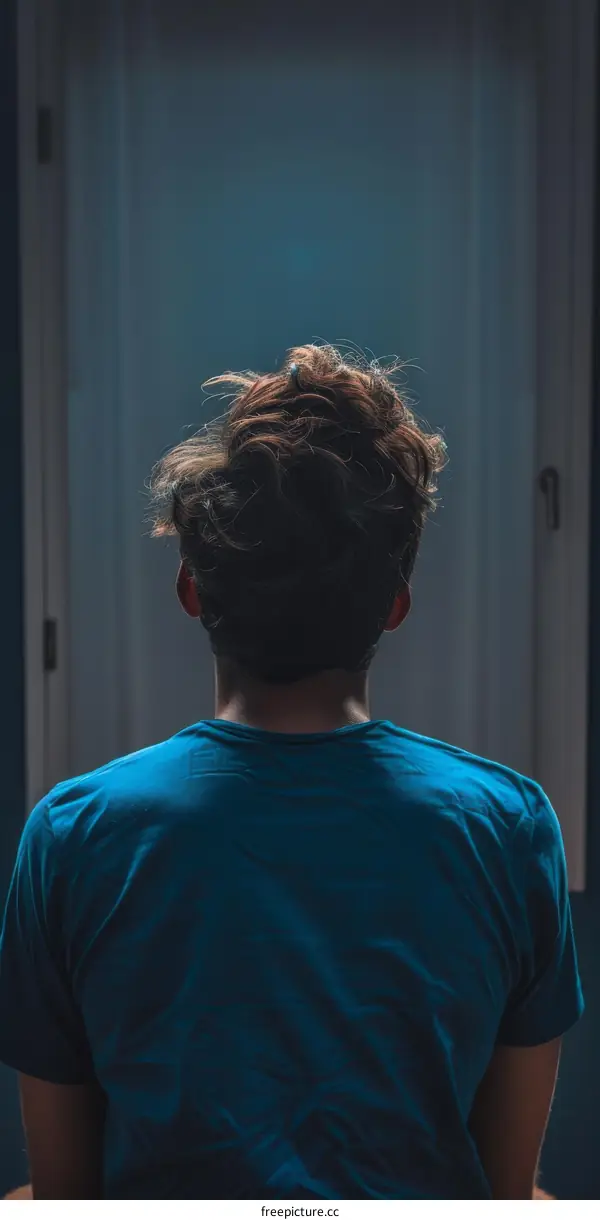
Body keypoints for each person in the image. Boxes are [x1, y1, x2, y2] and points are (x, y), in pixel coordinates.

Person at [0, 344, 583, 1200]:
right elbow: (501, 1196)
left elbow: (63, 1196)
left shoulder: (74, 832)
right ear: (394, 605)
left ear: (192, 589)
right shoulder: (507, 825)